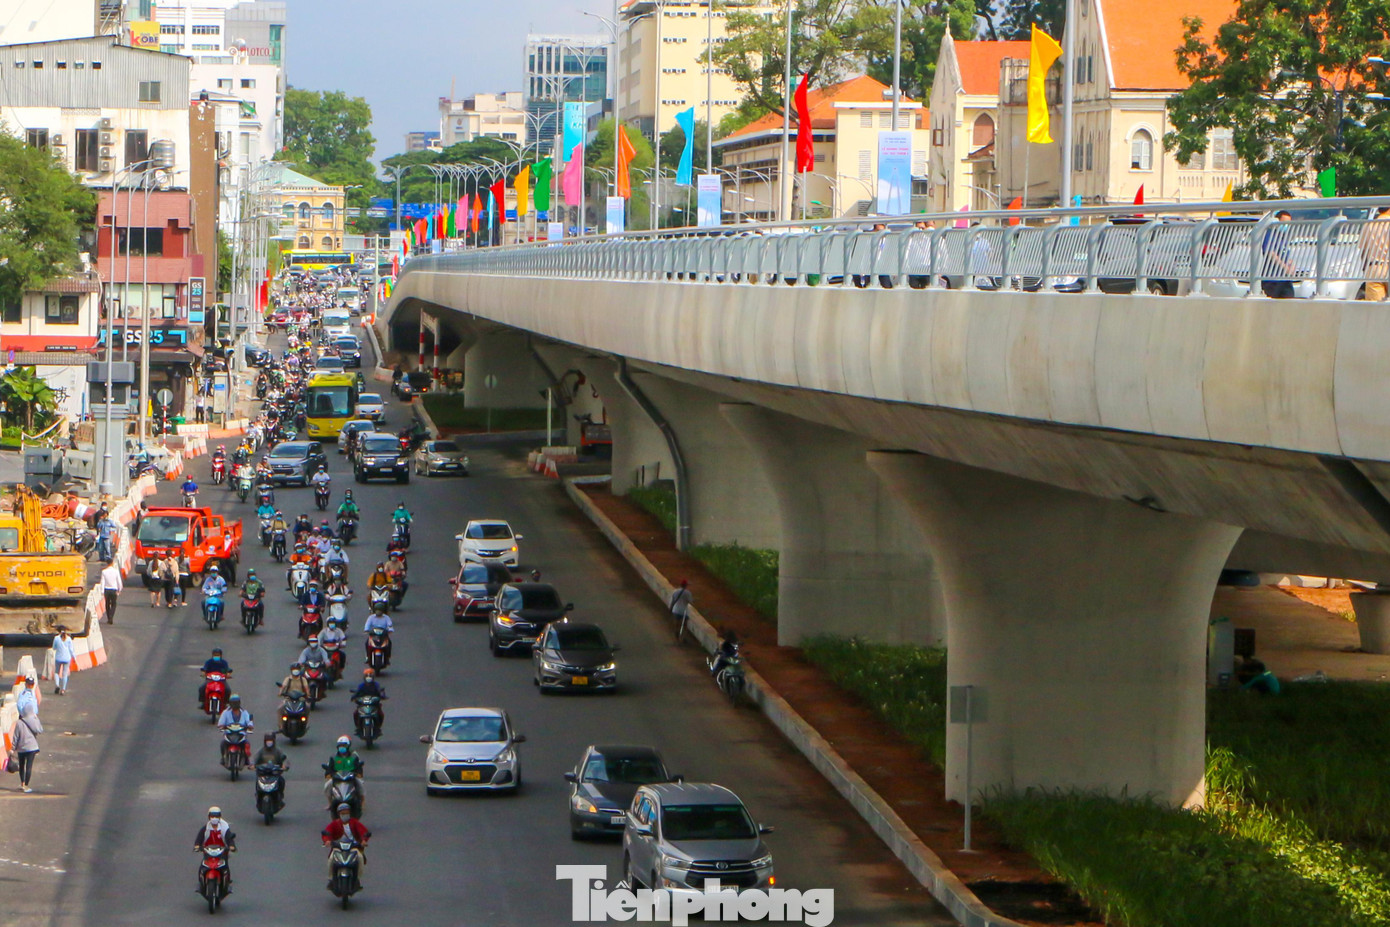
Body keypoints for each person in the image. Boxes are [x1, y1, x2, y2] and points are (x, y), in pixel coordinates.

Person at [321, 803, 371, 884]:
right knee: (331, 859)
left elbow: (364, 832)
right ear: (339, 814)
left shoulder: (355, 823)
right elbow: (327, 832)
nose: (345, 815)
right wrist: (327, 841)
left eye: (347, 813)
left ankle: (357, 878)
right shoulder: (335, 824)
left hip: (353, 847)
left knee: (360, 858)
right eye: (343, 813)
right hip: (338, 847)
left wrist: (363, 841)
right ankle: (331, 878)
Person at [193, 807, 236, 888]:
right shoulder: (205, 828)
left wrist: (231, 846)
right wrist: (197, 845)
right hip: (208, 851)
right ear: (209, 817)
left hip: (222, 851)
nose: (214, 818)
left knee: (225, 866)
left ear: (220, 817)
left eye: (216, 816)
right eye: (212, 816)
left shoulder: (224, 828)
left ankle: (226, 882)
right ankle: (201, 883)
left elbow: (229, 838)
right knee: (202, 867)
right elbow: (199, 838)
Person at [1261, 210, 1299, 299]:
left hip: (1285, 279)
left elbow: (1285, 253)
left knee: (1289, 300)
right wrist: (1284, 267)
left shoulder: (1283, 236)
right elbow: (1270, 253)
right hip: (1272, 279)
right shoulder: (1269, 234)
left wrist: (1291, 265)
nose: (1286, 226)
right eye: (1284, 223)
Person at [323, 736, 365, 806]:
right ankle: (330, 803)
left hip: (351, 776)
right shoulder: (334, 757)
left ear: (348, 746)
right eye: (340, 746)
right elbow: (330, 767)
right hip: (337, 777)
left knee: (360, 784)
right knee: (327, 785)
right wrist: (328, 774)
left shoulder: (353, 756)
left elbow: (358, 766)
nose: (341, 747)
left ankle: (363, 801)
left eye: (344, 746)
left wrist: (359, 773)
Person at [12, 701, 41, 792]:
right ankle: (27, 785)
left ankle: (22, 783)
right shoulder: (34, 720)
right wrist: (36, 719)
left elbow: (15, 736)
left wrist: (12, 748)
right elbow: (40, 730)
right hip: (32, 747)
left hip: (21, 748)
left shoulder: (19, 722)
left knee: (21, 766)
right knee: (29, 766)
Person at [1363, 205, 1390, 302]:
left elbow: (1363, 249)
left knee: (1376, 309)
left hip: (1374, 268)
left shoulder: (1369, 224)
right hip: (1387, 266)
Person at [351, 668, 386, 736]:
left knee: (381, 714)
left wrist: (382, 695)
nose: (368, 678)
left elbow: (380, 691)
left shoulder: (376, 685)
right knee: (355, 713)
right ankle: (358, 727)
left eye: (370, 676)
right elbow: (357, 692)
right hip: (363, 704)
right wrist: (354, 696)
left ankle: (378, 727)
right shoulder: (361, 685)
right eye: (367, 676)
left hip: (374, 704)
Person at [100, 557, 123, 625]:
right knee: (113, 604)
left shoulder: (104, 571)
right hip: (114, 589)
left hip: (106, 589)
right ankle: (111, 617)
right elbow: (119, 581)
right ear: (112, 563)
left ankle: (108, 617)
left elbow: (102, 582)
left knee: (107, 603)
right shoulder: (116, 571)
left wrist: (102, 591)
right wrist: (119, 589)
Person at [52, 628, 74, 695]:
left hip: (58, 658)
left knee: (56, 672)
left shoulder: (56, 638)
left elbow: (54, 648)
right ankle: (63, 689)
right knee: (65, 674)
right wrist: (74, 657)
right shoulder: (69, 639)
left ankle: (57, 685)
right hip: (67, 658)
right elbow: (71, 650)